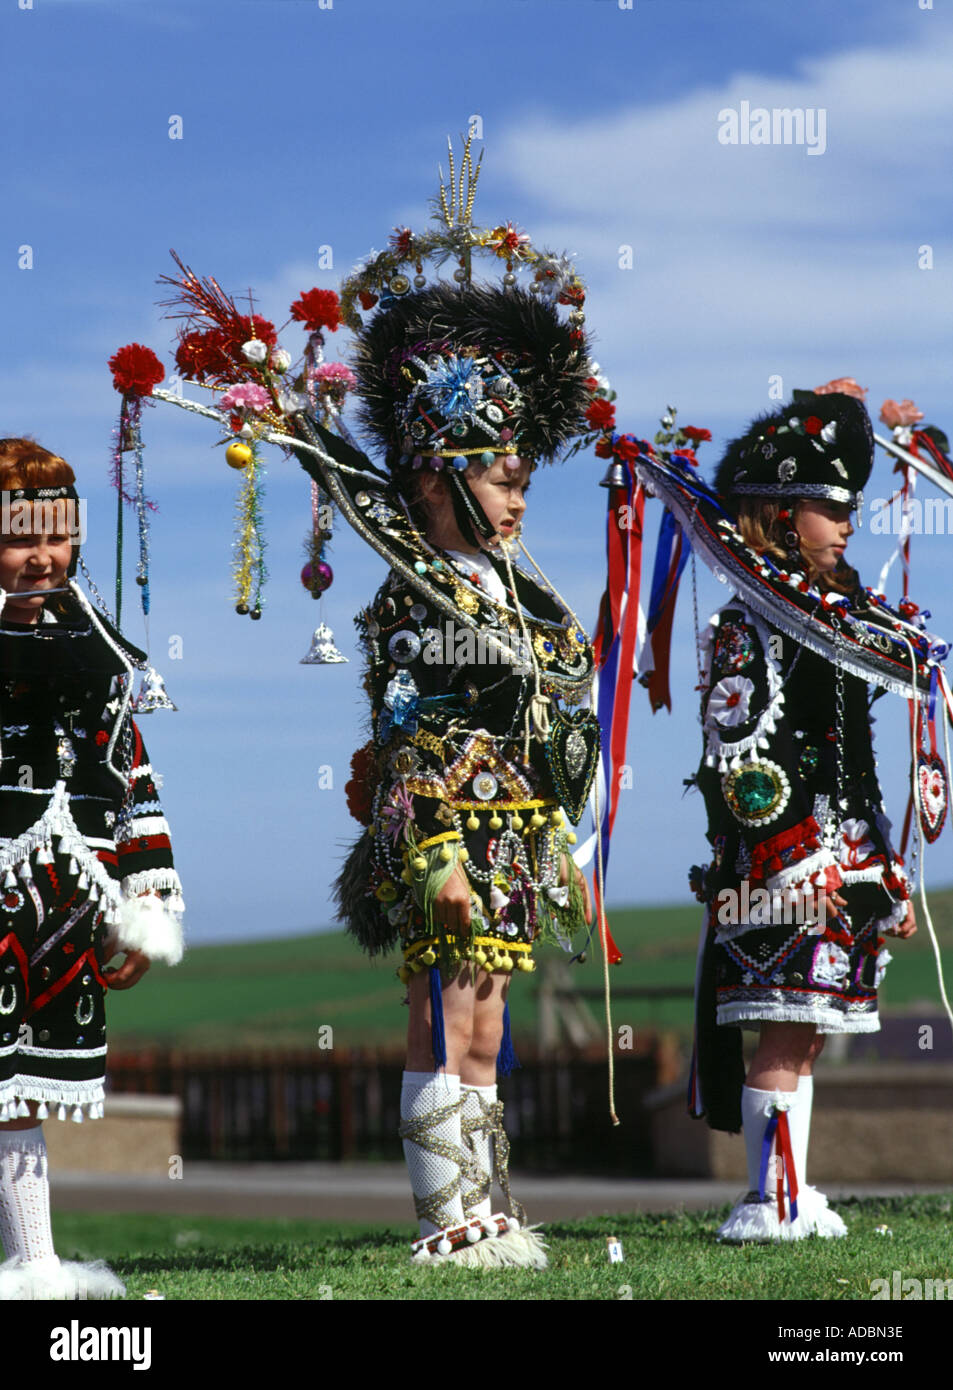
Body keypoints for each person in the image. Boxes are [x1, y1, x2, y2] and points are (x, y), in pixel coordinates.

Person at [328, 275, 601, 1267]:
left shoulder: (518, 597)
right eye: (498, 477)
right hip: (442, 836)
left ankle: (486, 1208)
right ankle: (443, 1220)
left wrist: (553, 840)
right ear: (437, 480)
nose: (519, 493)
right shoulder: (410, 599)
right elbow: (403, 742)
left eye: (522, 474)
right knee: (441, 1018)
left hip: (511, 836)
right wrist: (435, 857)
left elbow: (539, 732)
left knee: (484, 1023)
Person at [689, 385, 918, 1241]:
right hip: (779, 868)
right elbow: (738, 763)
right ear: (780, 516)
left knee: (810, 1029)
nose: (846, 524)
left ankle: (787, 1189)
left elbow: (854, 765)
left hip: (842, 859)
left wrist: (879, 868)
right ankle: (769, 1198)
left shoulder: (835, 620)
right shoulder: (748, 625)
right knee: (783, 1030)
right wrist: (794, 863)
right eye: (829, 509)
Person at [0, 438, 183, 1299]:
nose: (43, 555)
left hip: (62, 900)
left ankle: (34, 1264)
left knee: (20, 1088)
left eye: (58, 536)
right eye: (20, 535)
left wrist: (145, 902)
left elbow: (131, 778)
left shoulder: (99, 655)